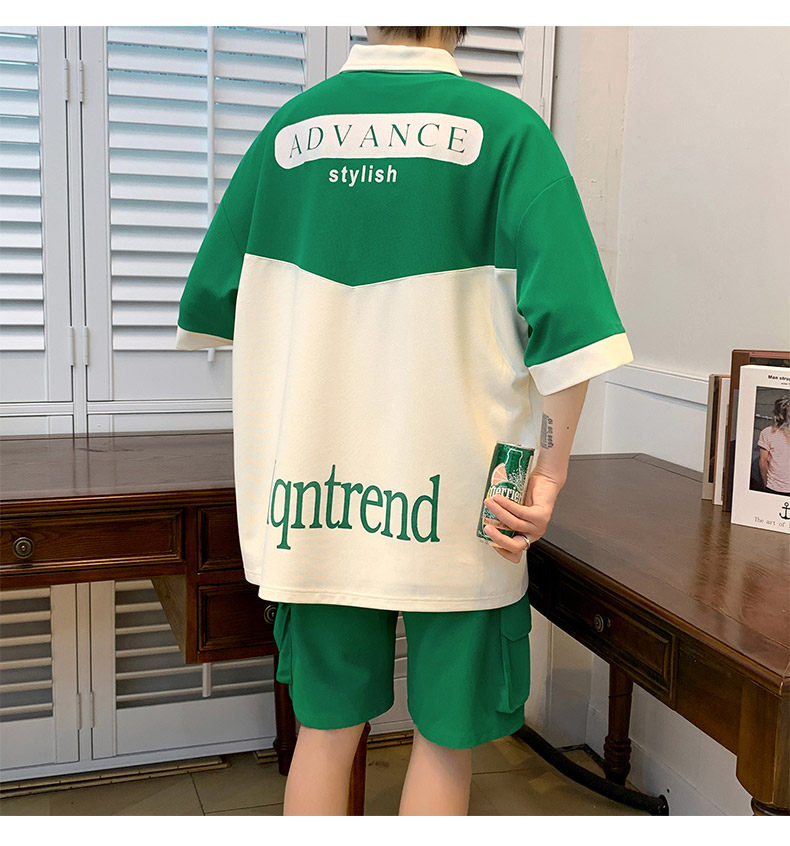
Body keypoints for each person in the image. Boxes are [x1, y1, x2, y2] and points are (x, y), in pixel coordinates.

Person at [176, 25, 634, 815]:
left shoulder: (289, 134)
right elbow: (573, 330)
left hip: (313, 500)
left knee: (324, 733)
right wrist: (549, 473)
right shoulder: (508, 131)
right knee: (446, 743)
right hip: (467, 501)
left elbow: (213, 303)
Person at [757, 396, 790, 496]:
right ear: (781, 415)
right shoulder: (767, 433)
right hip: (773, 488)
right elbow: (763, 461)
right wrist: (766, 484)